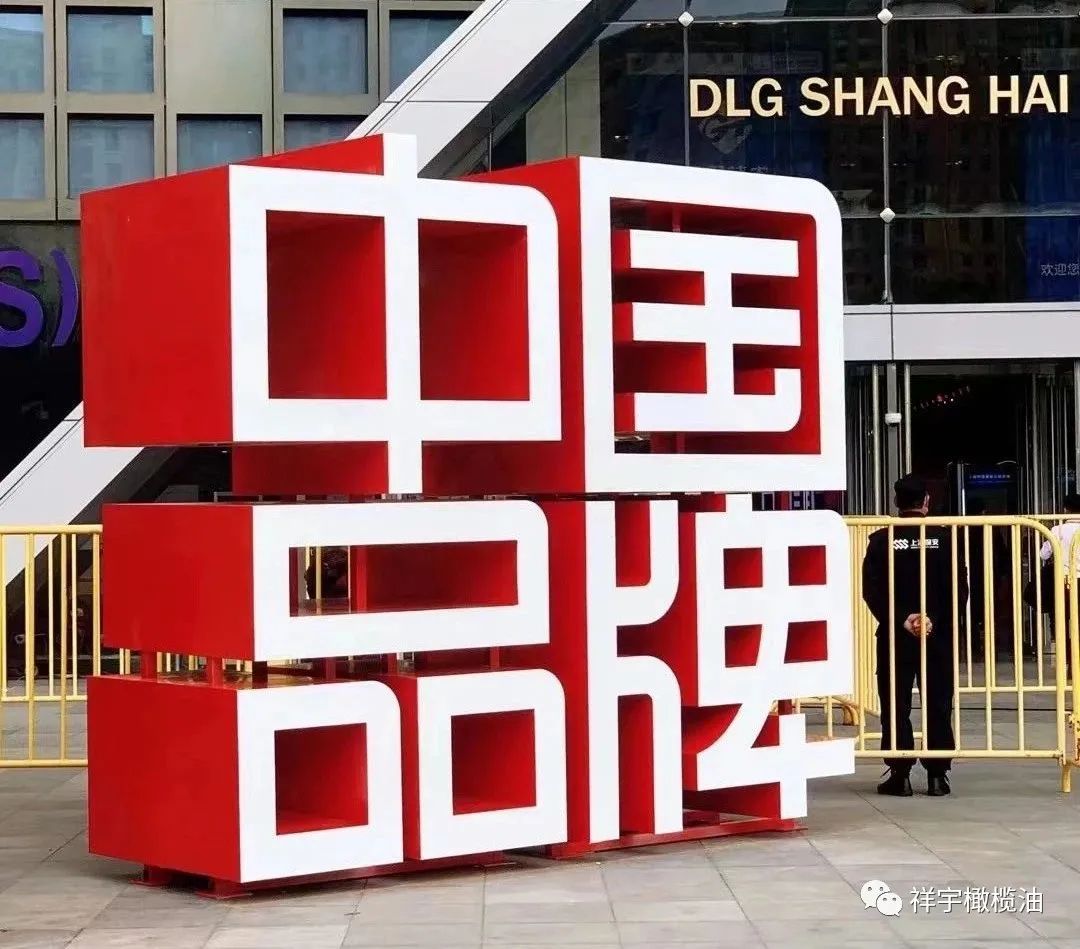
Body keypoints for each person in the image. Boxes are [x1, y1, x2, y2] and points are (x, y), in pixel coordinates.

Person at [862, 475, 968, 797]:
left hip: (896, 635)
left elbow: (872, 590)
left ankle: (900, 773)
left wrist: (901, 620)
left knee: (895, 702)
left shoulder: (882, 540)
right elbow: (959, 589)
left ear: (896, 503)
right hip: (938, 636)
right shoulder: (945, 538)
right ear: (926, 502)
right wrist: (933, 620)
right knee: (938, 701)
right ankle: (937, 776)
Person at [1039, 494, 1080, 674]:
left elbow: (1043, 554)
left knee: (1062, 623)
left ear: (1065, 509)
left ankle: (1069, 663)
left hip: (1063, 583)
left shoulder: (1057, 530)